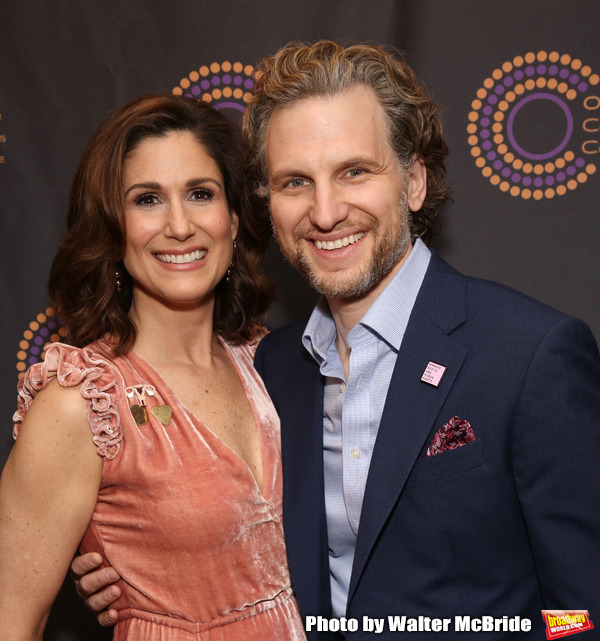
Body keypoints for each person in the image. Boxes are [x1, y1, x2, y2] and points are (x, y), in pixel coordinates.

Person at [73, 41, 600, 639]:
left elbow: (584, 608)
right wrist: (148, 571)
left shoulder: (529, 355)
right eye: (296, 181)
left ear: (415, 180)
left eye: (354, 172)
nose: (325, 213)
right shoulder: (275, 368)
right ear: (268, 204)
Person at [0, 94, 307, 640]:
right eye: (147, 200)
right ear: (114, 231)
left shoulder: (275, 365)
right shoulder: (81, 403)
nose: (180, 225)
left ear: (234, 220)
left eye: (200, 194)